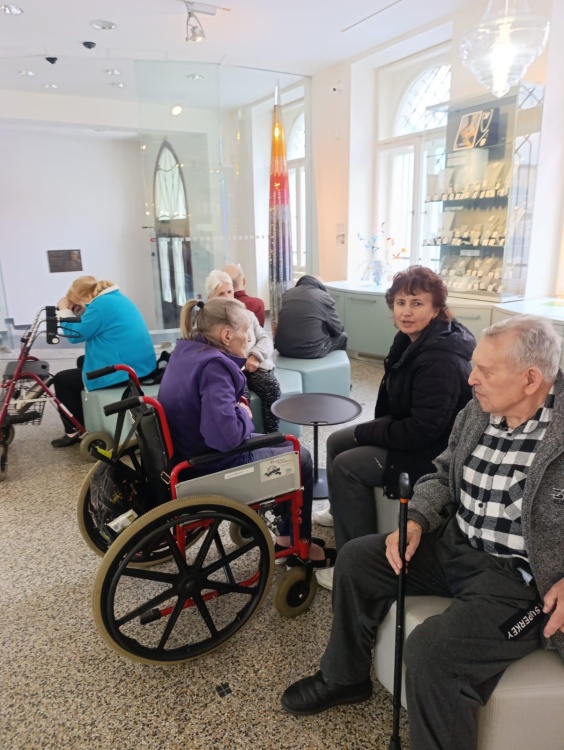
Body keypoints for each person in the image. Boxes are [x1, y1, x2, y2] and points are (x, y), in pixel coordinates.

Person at [281, 315, 564, 750]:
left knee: (432, 651)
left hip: (517, 584)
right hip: (456, 544)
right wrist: (417, 519)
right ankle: (345, 678)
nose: (471, 378)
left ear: (530, 378)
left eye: (485, 370)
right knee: (357, 559)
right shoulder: (478, 411)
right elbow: (444, 473)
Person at [314, 266, 475, 590]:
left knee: (347, 466)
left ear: (436, 308)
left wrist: (367, 433)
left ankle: (354, 565)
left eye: (417, 303)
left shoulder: (440, 358)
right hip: (412, 428)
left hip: (433, 452)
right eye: (401, 302)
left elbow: (423, 430)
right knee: (336, 441)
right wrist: (369, 431)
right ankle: (340, 510)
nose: (406, 311)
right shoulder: (412, 338)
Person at [158, 297, 336, 567]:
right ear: (227, 335)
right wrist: (242, 412)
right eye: (246, 331)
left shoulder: (186, 351)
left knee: (283, 446)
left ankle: (285, 534)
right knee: (300, 457)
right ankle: (297, 545)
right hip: (210, 464)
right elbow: (226, 438)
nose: (250, 338)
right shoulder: (214, 366)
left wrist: (235, 406)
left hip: (187, 451)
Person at [52, 276, 156, 447]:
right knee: (81, 361)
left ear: (82, 297)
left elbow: (74, 335)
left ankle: (73, 431)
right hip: (142, 364)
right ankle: (85, 416)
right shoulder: (114, 298)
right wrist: (80, 310)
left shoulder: (99, 307)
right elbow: (92, 323)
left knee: (62, 379)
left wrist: (64, 310)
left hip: (126, 370)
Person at [206, 270, 281, 433]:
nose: (227, 297)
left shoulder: (247, 315)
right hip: (229, 372)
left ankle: (272, 435)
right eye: (221, 293)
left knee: (271, 386)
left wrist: (255, 356)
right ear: (211, 298)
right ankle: (247, 437)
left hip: (253, 366)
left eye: (229, 291)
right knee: (241, 396)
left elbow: (266, 339)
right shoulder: (208, 324)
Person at [274, 275, 347, 358]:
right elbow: (338, 329)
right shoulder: (323, 297)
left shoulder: (287, 294)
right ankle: (336, 365)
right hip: (311, 350)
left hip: (283, 348)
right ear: (320, 285)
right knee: (343, 337)